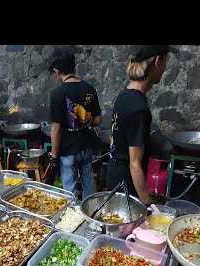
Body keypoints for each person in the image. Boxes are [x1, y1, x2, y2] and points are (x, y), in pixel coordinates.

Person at [106, 45, 179, 205]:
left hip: (114, 174)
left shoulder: (124, 95)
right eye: (165, 62)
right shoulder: (139, 108)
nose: (164, 68)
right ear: (158, 61)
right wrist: (147, 202)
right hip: (126, 184)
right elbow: (134, 164)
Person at [48, 47, 102, 199]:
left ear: (57, 71)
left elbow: (56, 129)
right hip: (86, 147)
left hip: (68, 150)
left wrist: (54, 156)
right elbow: (98, 120)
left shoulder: (57, 94)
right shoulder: (89, 89)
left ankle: (72, 218)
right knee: (89, 186)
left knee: (69, 191)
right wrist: (88, 118)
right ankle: (91, 213)